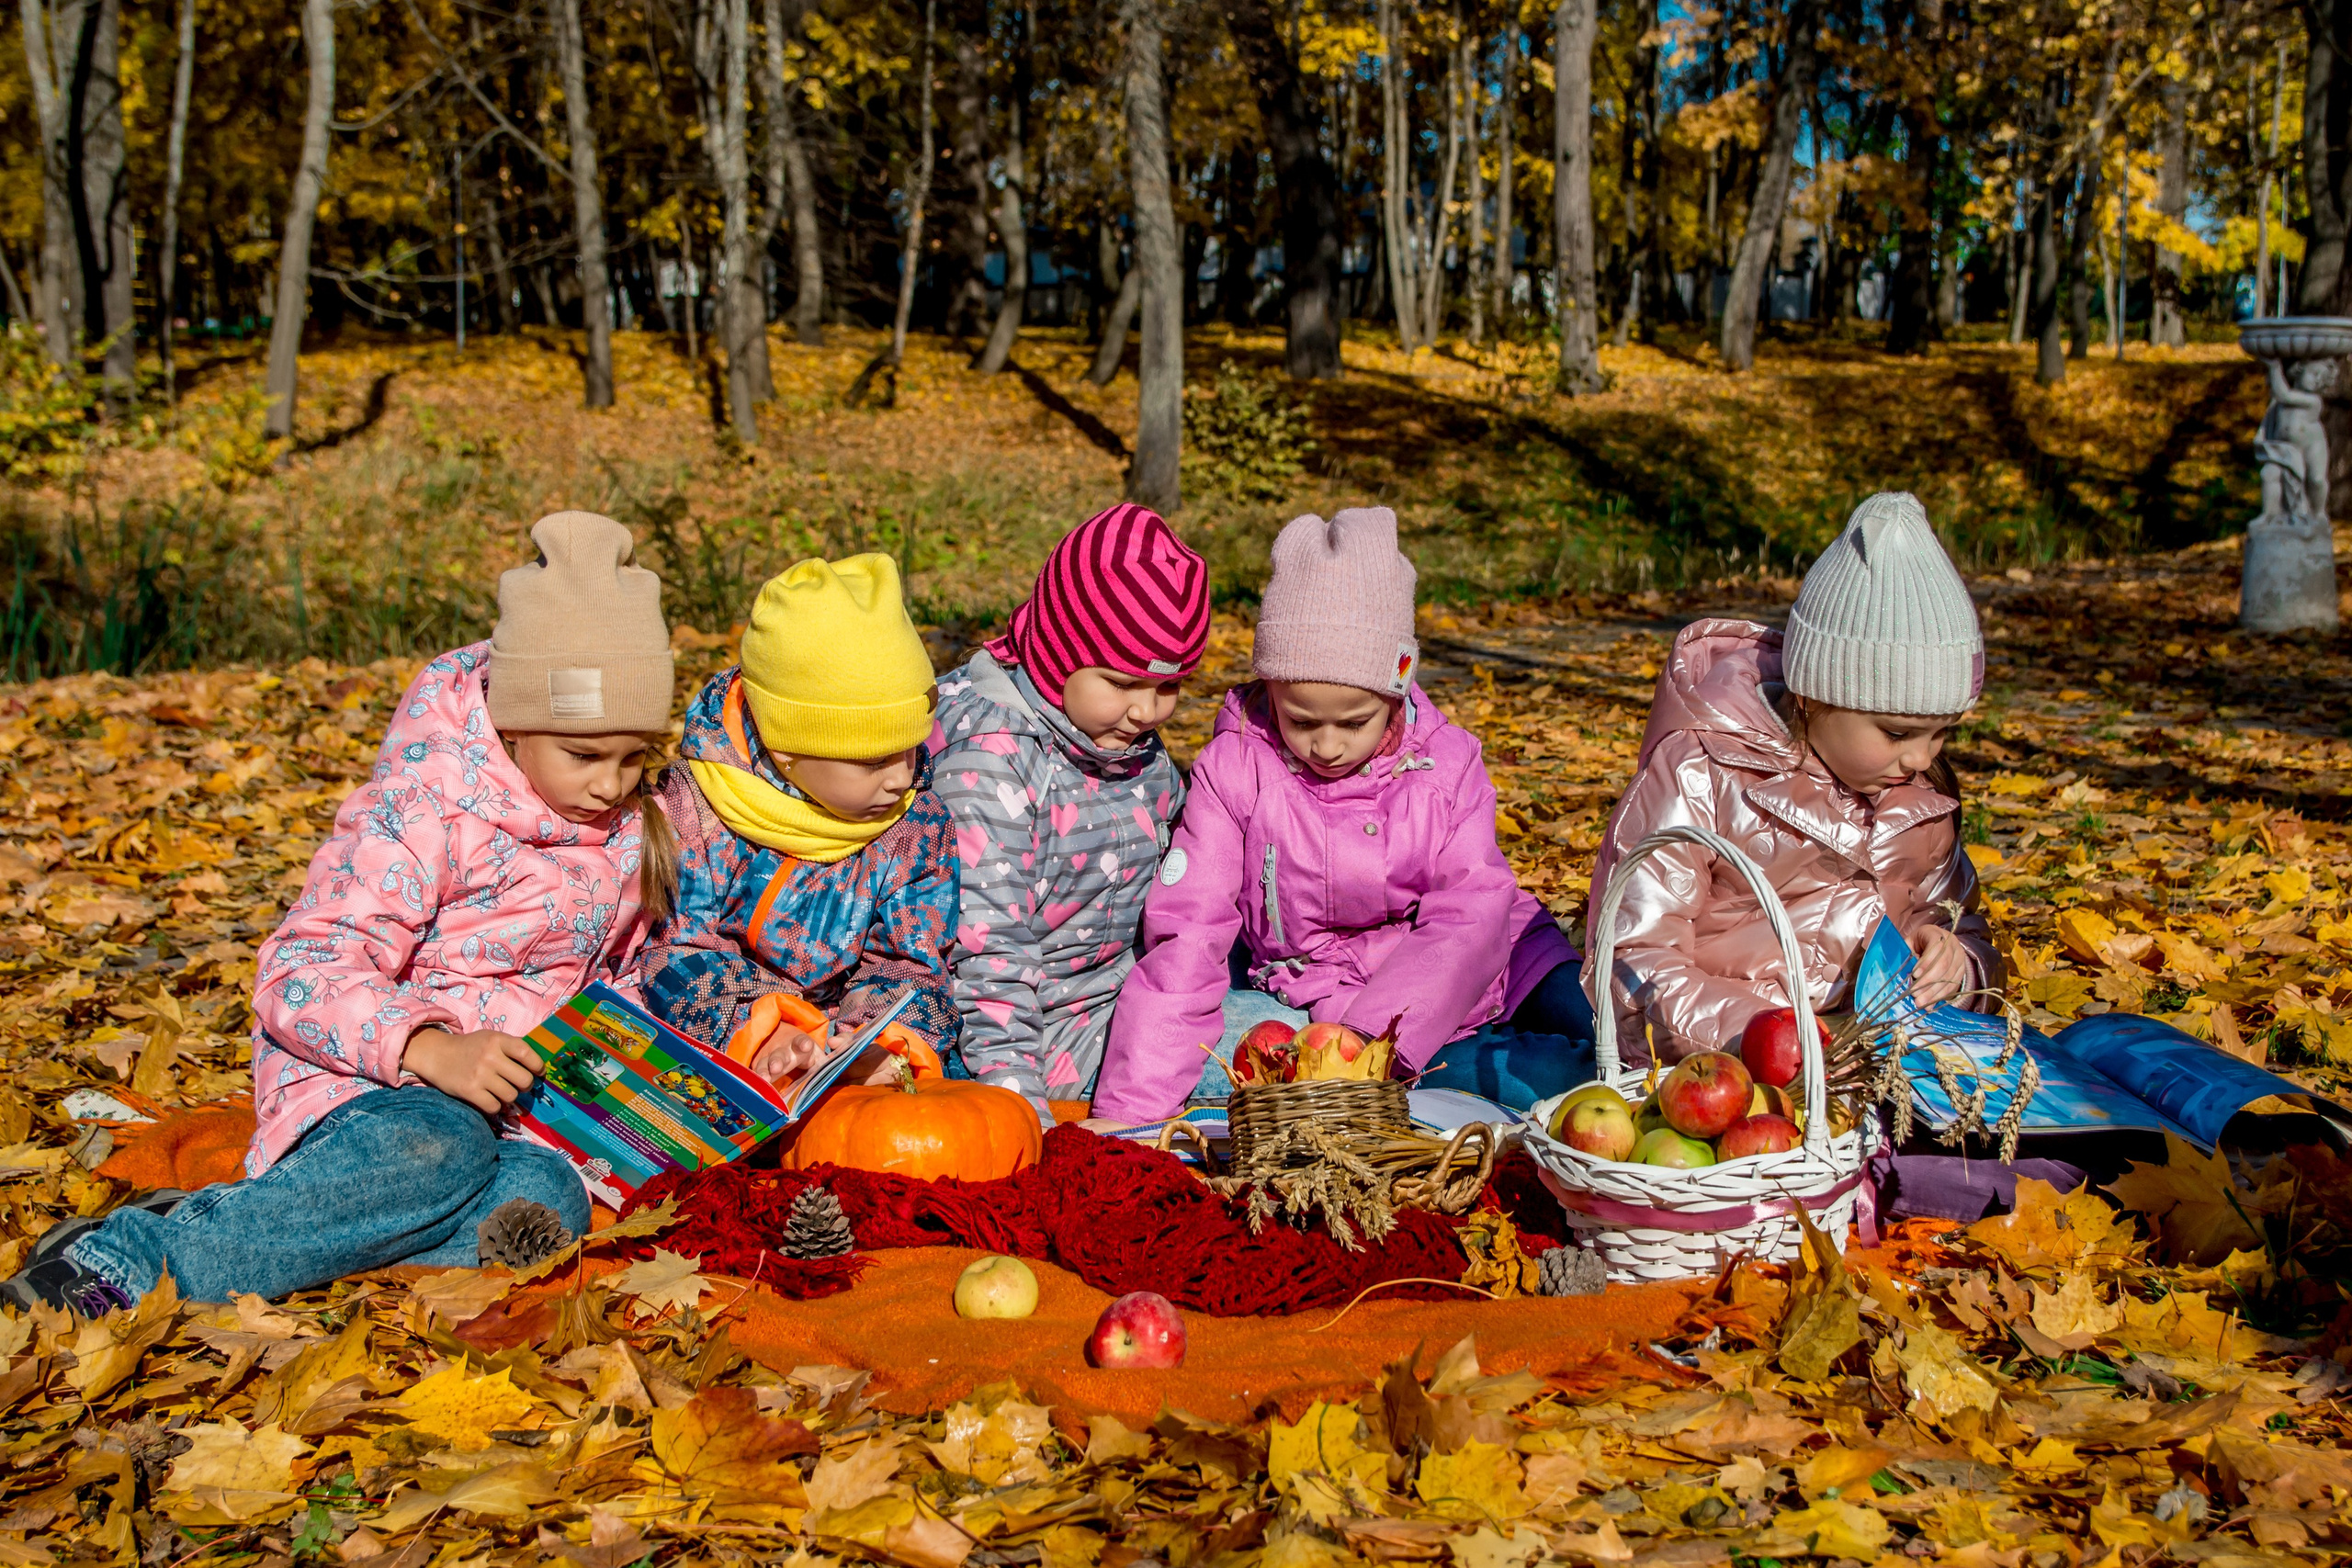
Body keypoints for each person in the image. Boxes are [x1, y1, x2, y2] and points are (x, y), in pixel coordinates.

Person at [4, 513, 679, 1312]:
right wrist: (428, 1047)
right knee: (438, 1146)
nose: (612, 783)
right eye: (585, 755)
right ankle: (137, 1258)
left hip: (522, 1121)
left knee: (542, 1205)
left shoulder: (628, 832)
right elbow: (299, 974)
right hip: (373, 1086)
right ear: (512, 723)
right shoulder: (420, 810)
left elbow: (618, 976)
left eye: (635, 756)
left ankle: (268, 1230)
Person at [1091, 507, 1584, 1125]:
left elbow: (1471, 915)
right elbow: (1188, 931)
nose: (1326, 746)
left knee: (1600, 1039)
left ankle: (1496, 1068)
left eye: (1354, 722)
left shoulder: (1447, 764)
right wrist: (1132, 1114)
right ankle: (1472, 1083)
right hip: (1328, 1004)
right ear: (1270, 688)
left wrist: (1373, 1042)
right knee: (1550, 1081)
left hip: (1483, 967)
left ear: (1396, 692)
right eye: (1301, 720)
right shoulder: (1236, 770)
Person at [1588, 490, 2000, 1063]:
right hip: (1713, 1063)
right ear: (1814, 696)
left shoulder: (1922, 803)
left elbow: (1962, 923)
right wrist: (1776, 1042)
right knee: (1543, 1081)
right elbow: (1636, 959)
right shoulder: (1704, 775)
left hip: (1874, 1063)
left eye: (1943, 733)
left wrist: (1957, 967)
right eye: (1899, 733)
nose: (1922, 760)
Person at [932, 503, 1211, 1117]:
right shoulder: (990, 763)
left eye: (1168, 687)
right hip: (1017, 1044)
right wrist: (1021, 1113)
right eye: (1122, 682)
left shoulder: (1115, 735)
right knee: (1242, 1064)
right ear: (1060, 652)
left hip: (1119, 1001)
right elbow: (986, 955)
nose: (1147, 710)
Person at [636, 554, 958, 1080]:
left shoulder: (916, 825)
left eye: (911, 749)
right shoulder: (696, 809)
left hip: (848, 1049)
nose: (902, 778)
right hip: (730, 1044)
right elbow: (678, 951)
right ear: (787, 748)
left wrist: (874, 1038)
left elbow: (910, 960)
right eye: (874, 760)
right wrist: (773, 1030)